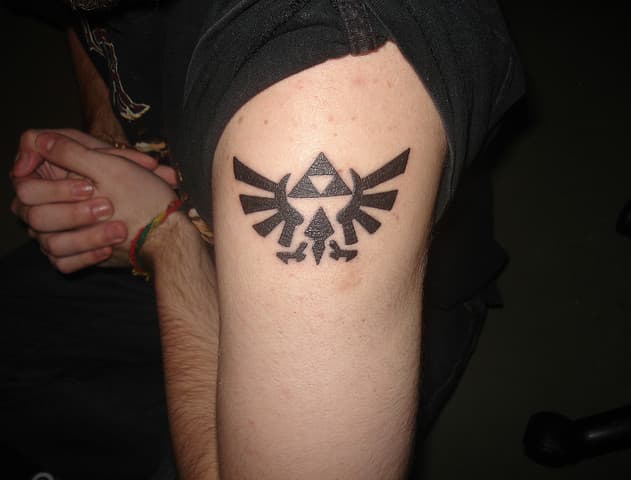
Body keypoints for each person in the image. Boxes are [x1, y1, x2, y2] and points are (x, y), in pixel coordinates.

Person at [4, 0, 524, 478]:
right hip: (176, 211)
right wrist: (112, 145)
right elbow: (87, 22)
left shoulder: (326, 88)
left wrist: (162, 237)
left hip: (384, 307)